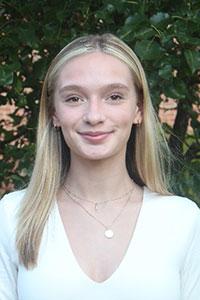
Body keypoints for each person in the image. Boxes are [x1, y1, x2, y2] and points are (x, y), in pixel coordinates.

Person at [0, 33, 200, 300]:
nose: (94, 116)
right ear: (54, 113)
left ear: (138, 109)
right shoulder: (13, 216)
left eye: (114, 96)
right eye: (74, 98)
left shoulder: (182, 220)